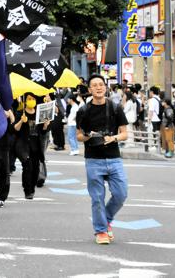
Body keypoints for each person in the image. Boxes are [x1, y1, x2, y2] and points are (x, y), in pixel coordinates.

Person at [76, 74, 128, 245]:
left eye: (101, 84)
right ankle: (101, 231)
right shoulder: (83, 111)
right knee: (97, 198)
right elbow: (78, 136)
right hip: (93, 159)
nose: (98, 87)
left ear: (105, 87)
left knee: (121, 194)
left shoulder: (115, 107)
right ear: (89, 90)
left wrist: (113, 138)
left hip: (114, 158)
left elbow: (125, 133)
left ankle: (105, 220)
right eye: (94, 85)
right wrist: (88, 136)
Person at [12, 93, 50, 199]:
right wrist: (21, 121)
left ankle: (32, 188)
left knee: (36, 169)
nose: (31, 100)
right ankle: (27, 190)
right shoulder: (20, 113)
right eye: (29, 98)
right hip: (23, 144)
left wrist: (45, 125)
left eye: (33, 98)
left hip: (36, 145)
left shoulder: (39, 113)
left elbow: (42, 132)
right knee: (27, 166)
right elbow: (14, 129)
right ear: (25, 101)